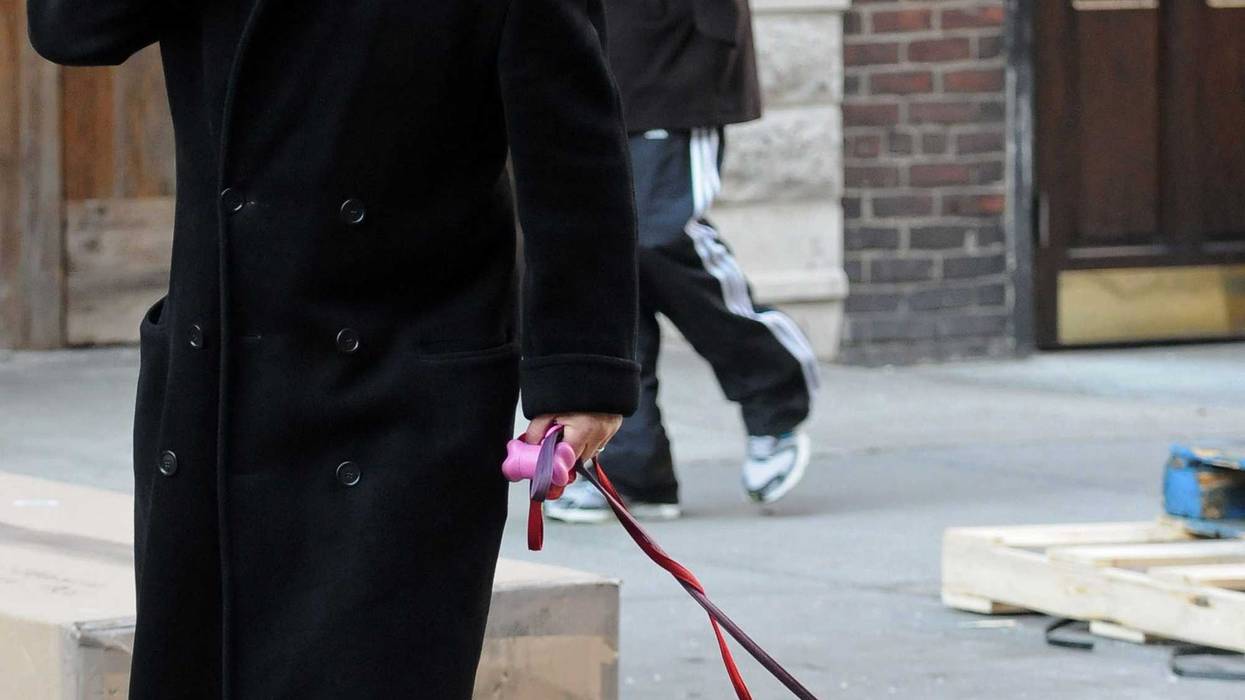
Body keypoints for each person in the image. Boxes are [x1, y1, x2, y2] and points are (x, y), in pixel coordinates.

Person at [27, 1, 638, 698]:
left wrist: (580, 375)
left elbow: (573, 149)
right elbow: (70, 30)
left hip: (397, 397)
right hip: (220, 380)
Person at [548, 0, 820, 524]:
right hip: (577, 61)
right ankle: (633, 467)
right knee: (602, 262)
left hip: (670, 61)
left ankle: (776, 383)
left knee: (661, 235)